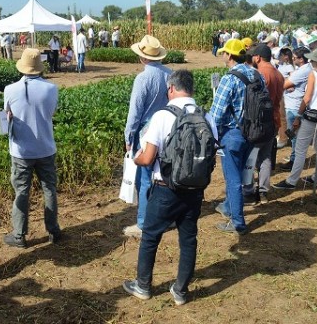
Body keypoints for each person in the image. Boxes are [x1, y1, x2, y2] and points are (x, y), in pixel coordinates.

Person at [122, 70, 217, 306]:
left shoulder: (163, 116)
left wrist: (134, 158)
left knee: (151, 237)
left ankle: (143, 286)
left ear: (171, 89)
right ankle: (181, 291)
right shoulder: (208, 117)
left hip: (165, 189)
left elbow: (147, 158)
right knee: (189, 240)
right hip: (194, 191)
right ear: (192, 89)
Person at [3, 49, 62, 248]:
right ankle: (53, 230)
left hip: (21, 151)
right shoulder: (51, 88)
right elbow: (51, 113)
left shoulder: (9, 89)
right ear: (39, 68)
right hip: (46, 147)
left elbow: (5, 118)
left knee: (21, 191)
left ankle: (19, 235)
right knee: (49, 189)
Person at [123, 35, 172, 238]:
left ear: (143, 58)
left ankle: (143, 222)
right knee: (164, 175)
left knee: (144, 178)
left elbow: (135, 111)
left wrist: (128, 136)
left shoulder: (143, 78)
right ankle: (165, 218)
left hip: (146, 131)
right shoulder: (171, 74)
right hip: (168, 127)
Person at [209, 39, 256, 235]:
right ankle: (229, 207)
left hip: (233, 135)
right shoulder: (255, 74)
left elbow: (216, 114)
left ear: (229, 55)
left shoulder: (229, 79)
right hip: (253, 132)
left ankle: (237, 223)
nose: (222, 55)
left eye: (224, 53)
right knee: (242, 174)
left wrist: (210, 136)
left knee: (233, 180)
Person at [274, 48, 317, 190]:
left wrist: (299, 116)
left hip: (312, 114)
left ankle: (292, 181)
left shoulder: (314, 74)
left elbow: (307, 98)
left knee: (300, 149)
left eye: (312, 59)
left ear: (316, 61)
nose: (310, 61)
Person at [242, 44, 284, 205]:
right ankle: (264, 192)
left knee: (250, 157)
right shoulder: (279, 74)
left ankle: (249, 192)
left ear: (257, 57)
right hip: (273, 120)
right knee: (266, 157)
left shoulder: (259, 74)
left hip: (257, 122)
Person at [278, 47, 312, 170]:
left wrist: (285, 82)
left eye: (295, 57)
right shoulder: (305, 69)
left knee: (294, 136)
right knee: (294, 135)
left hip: (294, 107)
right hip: (295, 105)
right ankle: (295, 158)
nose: (292, 59)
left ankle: (295, 161)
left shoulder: (302, 71)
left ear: (301, 59)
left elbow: (284, 84)